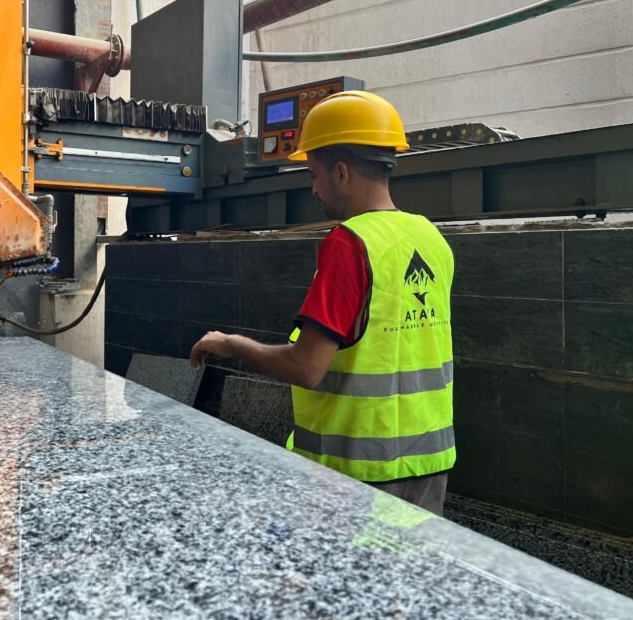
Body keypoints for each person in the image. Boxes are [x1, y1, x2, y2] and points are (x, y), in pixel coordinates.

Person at [190, 91, 455, 515]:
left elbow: (307, 367)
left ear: (342, 172)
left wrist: (230, 344)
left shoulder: (350, 243)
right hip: (429, 464)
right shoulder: (431, 238)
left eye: (314, 174)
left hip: (356, 474)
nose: (313, 188)